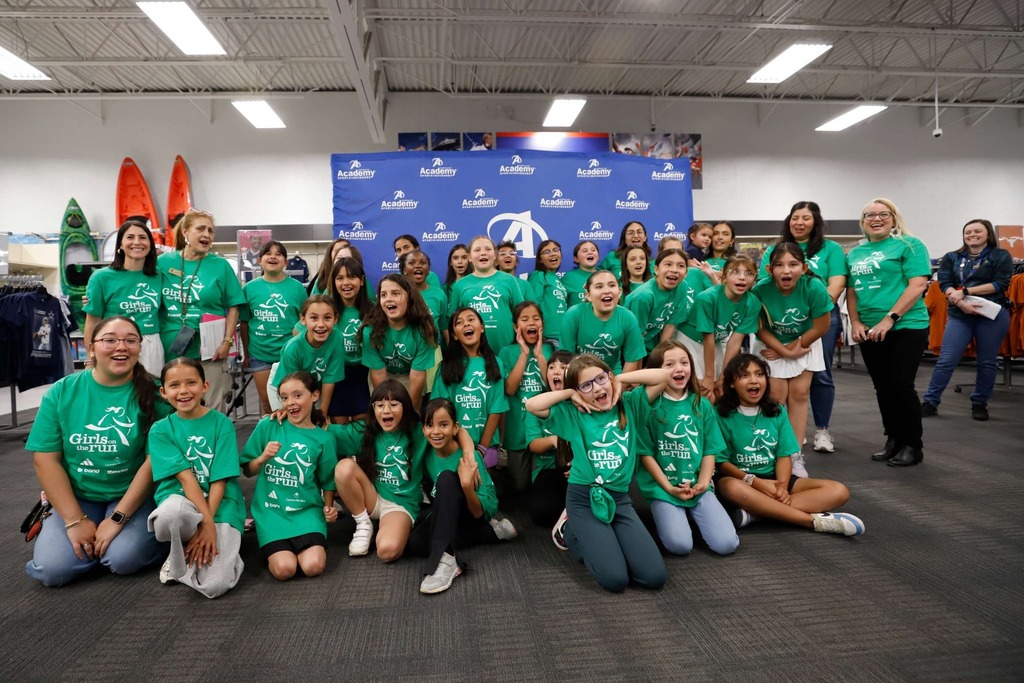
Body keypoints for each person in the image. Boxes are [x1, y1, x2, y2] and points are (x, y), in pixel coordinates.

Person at [25, 316, 168, 586]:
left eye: (130, 340)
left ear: (139, 347)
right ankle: (90, 544)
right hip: (79, 496)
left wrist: (116, 519)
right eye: (110, 340)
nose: (121, 347)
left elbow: (152, 463)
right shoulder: (62, 392)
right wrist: (73, 520)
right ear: (91, 348)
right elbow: (46, 460)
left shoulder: (155, 394)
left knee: (124, 559)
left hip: (131, 496)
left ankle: (123, 543)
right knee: (52, 570)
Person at [526, 355, 667, 593]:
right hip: (583, 501)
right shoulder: (573, 412)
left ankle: (606, 540)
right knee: (615, 580)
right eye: (586, 385)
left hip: (620, 500)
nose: (597, 388)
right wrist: (569, 394)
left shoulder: (629, 403)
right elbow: (532, 405)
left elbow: (663, 376)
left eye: (600, 379)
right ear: (579, 392)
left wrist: (619, 379)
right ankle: (570, 532)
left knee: (654, 577)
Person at [714, 354, 865, 537]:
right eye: (745, 375)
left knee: (839, 491)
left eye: (760, 374)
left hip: (776, 478)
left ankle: (757, 513)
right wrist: (756, 482)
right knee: (731, 488)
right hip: (742, 480)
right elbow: (721, 463)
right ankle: (812, 522)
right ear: (731, 383)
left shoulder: (777, 411)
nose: (754, 380)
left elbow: (783, 455)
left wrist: (782, 489)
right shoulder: (720, 414)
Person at [331, 381, 464, 560]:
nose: (386, 410)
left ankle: (387, 528)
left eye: (393, 405)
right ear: (373, 409)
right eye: (380, 405)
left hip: (400, 504)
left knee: (387, 551)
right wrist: (282, 416)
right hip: (370, 497)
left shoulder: (418, 431)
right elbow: (320, 431)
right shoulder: (365, 431)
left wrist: (470, 451)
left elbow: (458, 431)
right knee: (344, 467)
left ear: (406, 407)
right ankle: (363, 524)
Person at [147, 358, 245, 597]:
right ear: (163, 392)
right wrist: (206, 524)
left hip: (221, 504)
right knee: (172, 515)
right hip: (183, 502)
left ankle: (190, 559)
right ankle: (178, 553)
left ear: (204, 386)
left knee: (215, 585)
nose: (183, 391)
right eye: (174, 385)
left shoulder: (221, 423)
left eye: (191, 383)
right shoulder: (160, 430)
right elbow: (186, 479)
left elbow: (220, 479)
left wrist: (209, 523)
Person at [847, 198, 931, 467]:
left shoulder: (910, 245)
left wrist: (889, 318)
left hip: (906, 325)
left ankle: (912, 444)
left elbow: (918, 285)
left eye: (883, 214)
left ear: (894, 219)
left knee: (901, 385)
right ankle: (893, 439)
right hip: (870, 329)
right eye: (869, 215)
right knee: (882, 387)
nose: (876, 218)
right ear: (863, 222)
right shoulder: (855, 254)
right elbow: (852, 291)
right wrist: (856, 322)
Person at [760, 202, 849, 454]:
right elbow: (761, 317)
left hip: (815, 321)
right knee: (776, 392)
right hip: (777, 331)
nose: (799, 222)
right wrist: (786, 349)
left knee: (815, 381)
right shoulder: (772, 254)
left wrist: (814, 306)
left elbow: (837, 281)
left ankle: (820, 431)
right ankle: (782, 443)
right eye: (795, 217)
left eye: (806, 218)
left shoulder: (829, 250)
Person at [636, 341, 738, 556]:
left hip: (697, 487)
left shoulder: (701, 405)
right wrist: (669, 488)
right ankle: (678, 516)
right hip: (663, 489)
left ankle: (693, 514)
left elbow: (710, 450)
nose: (679, 369)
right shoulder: (646, 406)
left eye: (684, 362)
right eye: (669, 364)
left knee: (727, 544)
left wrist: (702, 483)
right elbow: (645, 454)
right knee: (680, 546)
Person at [409, 399, 515, 594]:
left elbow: (478, 512)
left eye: (443, 425)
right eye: (430, 425)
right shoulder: (427, 452)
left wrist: (466, 485)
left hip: (477, 510)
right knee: (415, 543)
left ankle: (447, 559)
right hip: (450, 510)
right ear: (423, 429)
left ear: (455, 427)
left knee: (447, 479)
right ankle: (491, 533)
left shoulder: (468, 458)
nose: (436, 432)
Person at [241, 372, 338, 580]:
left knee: (313, 566)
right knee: (285, 570)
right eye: (284, 398)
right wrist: (262, 457)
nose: (290, 403)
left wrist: (328, 507)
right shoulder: (268, 425)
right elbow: (248, 470)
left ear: (314, 396)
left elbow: (328, 480)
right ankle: (272, 546)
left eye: (297, 395)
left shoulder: (324, 439)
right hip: (272, 513)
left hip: (307, 512)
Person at [751, 243, 833, 477]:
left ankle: (795, 456)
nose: (786, 271)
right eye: (779, 265)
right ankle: (775, 453)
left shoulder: (814, 287)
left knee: (799, 395)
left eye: (793, 264)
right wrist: (784, 351)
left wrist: (794, 348)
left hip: (805, 341)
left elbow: (822, 325)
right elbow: (760, 329)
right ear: (769, 269)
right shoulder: (760, 290)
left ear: (804, 267)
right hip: (771, 345)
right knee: (775, 397)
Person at [922, 219, 1013, 421]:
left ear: (988, 234)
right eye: (968, 232)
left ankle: (979, 403)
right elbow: (944, 282)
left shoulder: (1000, 255)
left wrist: (966, 291)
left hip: (991, 315)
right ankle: (930, 402)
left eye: (977, 231)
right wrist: (961, 301)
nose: (972, 234)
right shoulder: (952, 257)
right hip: (959, 314)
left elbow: (1001, 284)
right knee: (946, 360)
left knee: (987, 362)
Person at [158, 209, 245, 412]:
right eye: (200, 229)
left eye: (211, 231)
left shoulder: (220, 266)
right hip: (170, 348)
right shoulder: (163, 262)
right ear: (186, 232)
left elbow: (234, 305)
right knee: (174, 407)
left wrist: (227, 341)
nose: (206, 234)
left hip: (210, 350)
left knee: (214, 406)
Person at [675, 255, 761, 403]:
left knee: (720, 390)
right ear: (724, 275)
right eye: (735, 272)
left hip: (718, 341)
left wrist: (722, 376)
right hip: (690, 341)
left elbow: (735, 341)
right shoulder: (707, 298)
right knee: (704, 392)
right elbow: (707, 337)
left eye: (749, 273)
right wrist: (709, 376)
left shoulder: (752, 302)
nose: (742, 278)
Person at [83, 219, 164, 376]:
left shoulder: (159, 276)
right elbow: (92, 320)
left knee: (149, 395)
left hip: (151, 344)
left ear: (150, 245)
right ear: (120, 245)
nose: (137, 242)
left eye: (142, 237)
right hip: (115, 344)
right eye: (130, 237)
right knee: (116, 392)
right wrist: (90, 357)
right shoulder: (101, 277)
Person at [239, 240, 308, 416]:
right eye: (268, 253)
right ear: (260, 260)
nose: (273, 257)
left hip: (290, 355)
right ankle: (271, 440)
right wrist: (246, 354)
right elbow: (245, 323)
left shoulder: (298, 288)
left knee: (292, 403)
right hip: (259, 355)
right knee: (268, 404)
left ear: (286, 262)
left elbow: (305, 321)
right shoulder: (249, 288)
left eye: (278, 254)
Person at [433, 307, 509, 452]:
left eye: (471, 319)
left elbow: (496, 408)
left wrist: (482, 448)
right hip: (454, 445)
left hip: (487, 446)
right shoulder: (446, 367)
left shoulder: (496, 363)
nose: (466, 324)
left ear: (481, 328)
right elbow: (440, 409)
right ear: (454, 335)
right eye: (459, 322)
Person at [498, 302, 553, 492]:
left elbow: (552, 386)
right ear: (515, 327)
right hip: (517, 429)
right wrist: (524, 353)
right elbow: (510, 389)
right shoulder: (507, 352)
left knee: (539, 484)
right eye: (525, 319)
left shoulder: (549, 350)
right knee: (520, 486)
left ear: (542, 324)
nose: (531, 323)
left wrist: (539, 355)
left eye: (536, 319)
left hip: (542, 429)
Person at [362, 274, 438, 412]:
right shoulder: (370, 331)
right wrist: (387, 409)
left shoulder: (424, 330)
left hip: (411, 375)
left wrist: (411, 414)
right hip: (384, 375)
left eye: (396, 293)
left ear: (410, 297)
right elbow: (378, 374)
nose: (388, 299)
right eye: (383, 295)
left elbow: (417, 375)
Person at [270, 295, 345, 420]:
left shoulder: (337, 338)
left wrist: (323, 415)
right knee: (289, 420)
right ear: (303, 320)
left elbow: (329, 379)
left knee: (317, 421)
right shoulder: (293, 348)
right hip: (284, 382)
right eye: (314, 318)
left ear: (335, 319)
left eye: (327, 318)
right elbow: (290, 386)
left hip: (313, 384)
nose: (321, 324)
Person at [523, 350, 574, 527]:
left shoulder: (581, 404)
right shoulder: (538, 403)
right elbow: (533, 445)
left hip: (579, 471)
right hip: (547, 470)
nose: (556, 371)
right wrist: (554, 440)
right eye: (551, 367)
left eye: (564, 367)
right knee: (541, 511)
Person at [559, 270, 646, 374]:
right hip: (579, 375)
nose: (606, 291)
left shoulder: (628, 318)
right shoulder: (574, 314)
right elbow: (566, 358)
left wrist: (619, 388)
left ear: (619, 292)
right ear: (588, 295)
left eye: (611, 285)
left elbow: (632, 360)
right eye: (599, 287)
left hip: (612, 375)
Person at [446, 236, 523, 352]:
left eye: (488, 249)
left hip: (506, 349)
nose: (483, 253)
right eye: (477, 250)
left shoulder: (509, 280)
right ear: (469, 257)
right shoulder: (460, 285)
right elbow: (452, 321)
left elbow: (521, 315)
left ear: (495, 255)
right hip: (472, 353)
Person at [328, 257, 373, 423]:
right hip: (335, 377)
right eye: (340, 278)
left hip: (364, 377)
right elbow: (299, 330)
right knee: (339, 431)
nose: (346, 283)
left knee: (362, 431)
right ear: (334, 282)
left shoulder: (374, 310)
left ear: (361, 281)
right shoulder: (327, 309)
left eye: (351, 277)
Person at [625, 248, 693, 354]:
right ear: (656, 270)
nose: (674, 270)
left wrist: (660, 356)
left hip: (652, 346)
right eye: (668, 264)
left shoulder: (682, 287)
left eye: (680, 266)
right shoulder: (644, 296)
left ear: (686, 273)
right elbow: (636, 338)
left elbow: (670, 325)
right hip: (629, 347)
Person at [527, 239, 568, 345]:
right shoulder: (539, 275)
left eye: (556, 250)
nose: (553, 253)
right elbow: (533, 305)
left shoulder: (558, 280)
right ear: (540, 259)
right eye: (547, 252)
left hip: (563, 335)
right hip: (548, 336)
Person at [561, 240, 600, 309]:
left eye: (593, 250)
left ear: (598, 257)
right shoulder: (569, 278)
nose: (590, 252)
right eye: (585, 251)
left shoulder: (606, 276)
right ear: (576, 259)